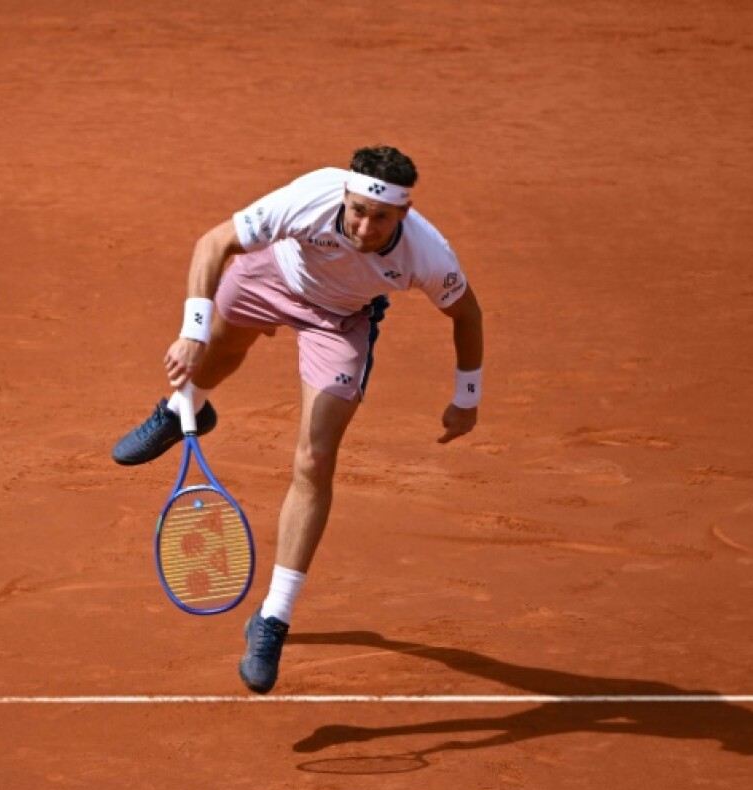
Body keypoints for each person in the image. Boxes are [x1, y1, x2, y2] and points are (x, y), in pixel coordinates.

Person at [111, 145, 484, 694]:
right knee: (218, 346)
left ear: (403, 215)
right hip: (272, 274)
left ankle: (273, 619)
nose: (364, 225)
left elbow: (466, 312)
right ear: (344, 195)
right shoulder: (308, 197)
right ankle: (183, 409)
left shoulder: (428, 254)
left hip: (340, 322)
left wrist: (466, 396)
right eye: (357, 210)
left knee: (316, 457)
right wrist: (192, 328)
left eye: (381, 217)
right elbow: (214, 242)